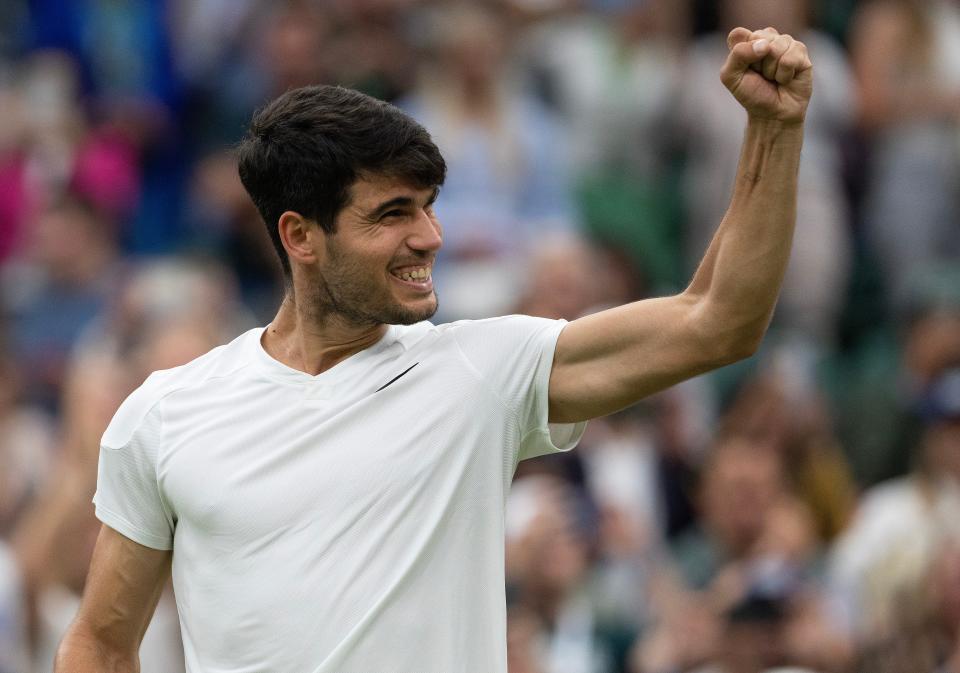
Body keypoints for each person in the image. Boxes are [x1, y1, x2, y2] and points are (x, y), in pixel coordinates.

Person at [55, 26, 813, 673]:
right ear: (300, 236)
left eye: (428, 207)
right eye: (393, 214)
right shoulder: (165, 412)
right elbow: (100, 639)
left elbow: (718, 319)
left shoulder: (484, 371)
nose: (431, 237)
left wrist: (773, 132)